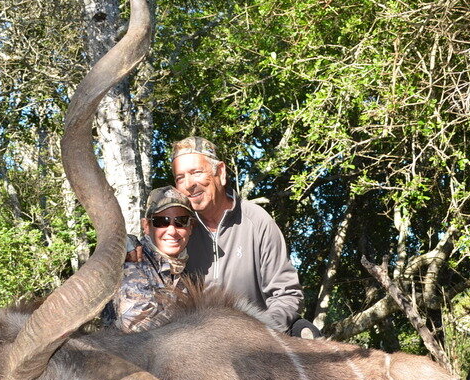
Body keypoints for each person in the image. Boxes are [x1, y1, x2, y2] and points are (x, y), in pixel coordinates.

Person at [170, 136, 319, 338]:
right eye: (180, 178)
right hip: (197, 342)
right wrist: (129, 249)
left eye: (196, 172)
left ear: (220, 172)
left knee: (309, 335)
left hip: (255, 338)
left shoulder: (257, 221)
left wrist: (261, 330)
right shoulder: (178, 227)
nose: (189, 184)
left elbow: (286, 294)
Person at [102, 187, 194, 332]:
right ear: (146, 226)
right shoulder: (131, 263)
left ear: (190, 228)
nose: (172, 230)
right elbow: (138, 332)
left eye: (181, 221)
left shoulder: (184, 273)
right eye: (161, 221)